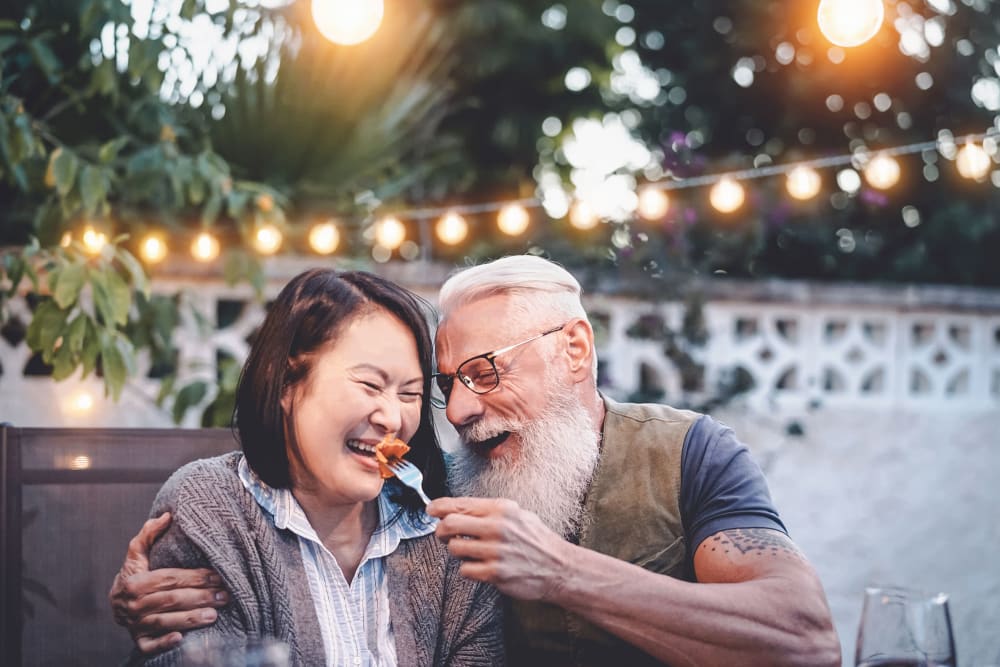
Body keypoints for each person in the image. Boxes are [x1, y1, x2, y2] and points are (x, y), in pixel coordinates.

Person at [111, 256, 840, 666]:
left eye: (484, 371)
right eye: (449, 384)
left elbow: (805, 639)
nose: (454, 411)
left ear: (575, 350)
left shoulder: (691, 453)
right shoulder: (444, 499)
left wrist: (559, 570)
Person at [116, 268, 503, 666]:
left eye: (410, 394)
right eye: (369, 385)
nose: (392, 417)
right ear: (285, 381)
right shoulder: (211, 509)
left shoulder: (446, 531)